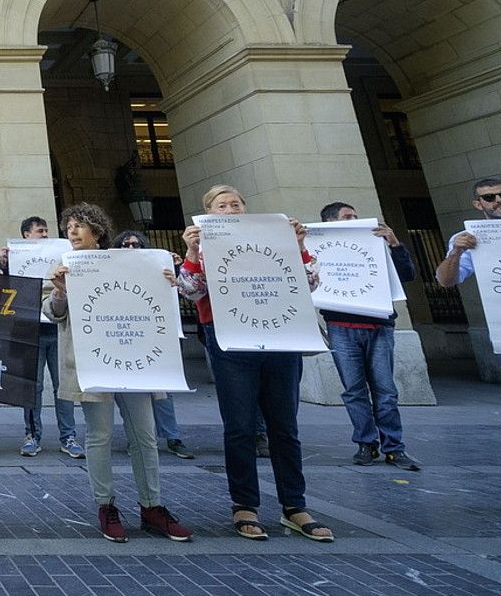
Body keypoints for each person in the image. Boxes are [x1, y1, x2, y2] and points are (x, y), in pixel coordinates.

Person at [178, 185, 333, 542]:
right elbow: (190, 290)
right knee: (240, 426)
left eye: (235, 204)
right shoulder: (203, 245)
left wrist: (297, 245)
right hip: (230, 339)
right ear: (209, 213)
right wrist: (191, 250)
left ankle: (294, 505)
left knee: (284, 425)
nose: (230, 209)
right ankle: (244, 503)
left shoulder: (274, 239)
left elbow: (310, 282)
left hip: (281, 337)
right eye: (221, 205)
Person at [45, 204, 192, 543]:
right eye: (68, 226)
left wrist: (167, 280)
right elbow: (52, 313)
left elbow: (155, 297)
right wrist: (59, 290)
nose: (72, 231)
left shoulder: (130, 261)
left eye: (79, 225)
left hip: (136, 359)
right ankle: (106, 506)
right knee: (99, 435)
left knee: (145, 436)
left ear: (97, 231)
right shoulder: (64, 266)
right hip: (93, 361)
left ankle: (152, 506)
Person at [435, 177, 501, 476]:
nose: (498, 201)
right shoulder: (468, 238)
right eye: (489, 198)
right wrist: (455, 251)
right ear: (478, 205)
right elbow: (446, 280)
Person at [317, 202, 421, 471]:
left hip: (379, 327)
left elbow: (407, 275)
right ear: (330, 223)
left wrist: (394, 244)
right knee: (354, 390)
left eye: (355, 215)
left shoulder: (375, 245)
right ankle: (366, 442)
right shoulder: (320, 249)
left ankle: (394, 448)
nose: (356, 219)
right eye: (348, 217)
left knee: (385, 390)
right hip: (341, 327)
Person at [0, 216, 84, 460]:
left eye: (46, 231)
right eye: (40, 231)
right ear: (26, 235)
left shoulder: (61, 255)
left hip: (57, 328)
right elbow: (3, 289)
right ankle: (32, 435)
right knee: (32, 387)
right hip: (30, 330)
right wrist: (4, 264)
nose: (45, 235)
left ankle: (68, 436)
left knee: (63, 386)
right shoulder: (12, 258)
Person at [113, 229, 194, 461]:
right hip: (125, 335)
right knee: (131, 392)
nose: (130, 248)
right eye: (125, 245)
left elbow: (181, 293)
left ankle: (172, 436)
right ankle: (137, 438)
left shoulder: (159, 267)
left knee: (162, 392)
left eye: (135, 245)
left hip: (155, 335)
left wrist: (176, 271)